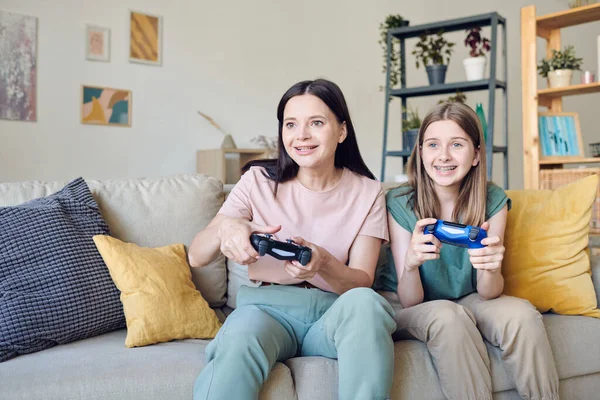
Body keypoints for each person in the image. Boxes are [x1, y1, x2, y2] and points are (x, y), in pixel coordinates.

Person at [188, 78, 396, 400]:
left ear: (341, 131)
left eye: (316, 123)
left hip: (333, 314)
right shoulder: (257, 181)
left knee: (367, 305)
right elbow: (197, 256)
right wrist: (227, 227)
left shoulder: (368, 192)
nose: (301, 135)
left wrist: (324, 263)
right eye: (291, 124)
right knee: (239, 335)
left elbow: (361, 282)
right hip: (265, 310)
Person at [380, 102, 559, 400]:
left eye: (457, 145)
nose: (444, 156)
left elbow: (488, 293)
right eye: (433, 144)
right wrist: (411, 264)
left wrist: (490, 266)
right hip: (410, 303)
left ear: (476, 155)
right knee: (449, 317)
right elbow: (410, 300)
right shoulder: (399, 201)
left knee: (522, 315)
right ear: (421, 151)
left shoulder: (492, 199)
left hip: (470, 296)